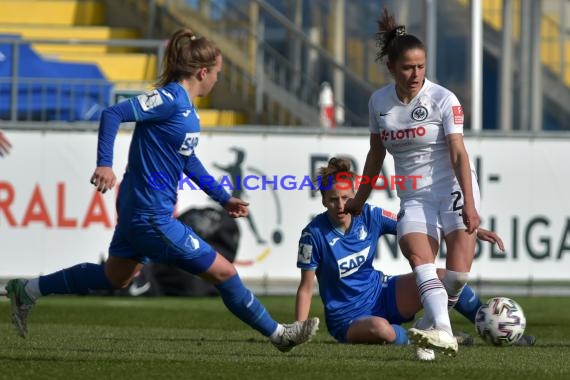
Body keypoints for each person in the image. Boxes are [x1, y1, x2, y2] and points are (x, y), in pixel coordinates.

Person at [5, 28, 318, 352]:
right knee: (224, 272)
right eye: (217, 74)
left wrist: (223, 197)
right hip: (150, 213)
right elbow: (113, 113)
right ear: (202, 72)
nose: (217, 81)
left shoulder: (185, 109)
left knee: (116, 277)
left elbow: (188, 161)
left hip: (138, 209)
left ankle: (28, 289)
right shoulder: (168, 99)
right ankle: (281, 335)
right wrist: (104, 163)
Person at [296, 158, 535, 361]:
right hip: (347, 318)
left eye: (346, 197)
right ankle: (422, 335)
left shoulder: (369, 216)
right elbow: (306, 288)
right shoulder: (313, 235)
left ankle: (497, 328)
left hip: (382, 293)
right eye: (333, 199)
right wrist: (299, 329)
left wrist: (469, 228)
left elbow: (416, 227)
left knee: (445, 278)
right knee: (381, 330)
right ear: (323, 200)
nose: (341, 205)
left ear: (355, 193)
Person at [343, 8, 480, 357]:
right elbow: (376, 154)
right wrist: (359, 197)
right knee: (420, 259)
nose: (416, 73)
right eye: (408, 67)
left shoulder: (443, 99)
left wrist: (471, 203)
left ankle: (427, 327)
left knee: (458, 277)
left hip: (452, 189)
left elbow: (459, 154)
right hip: (414, 195)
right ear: (392, 68)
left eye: (421, 66)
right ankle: (445, 332)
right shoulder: (379, 102)